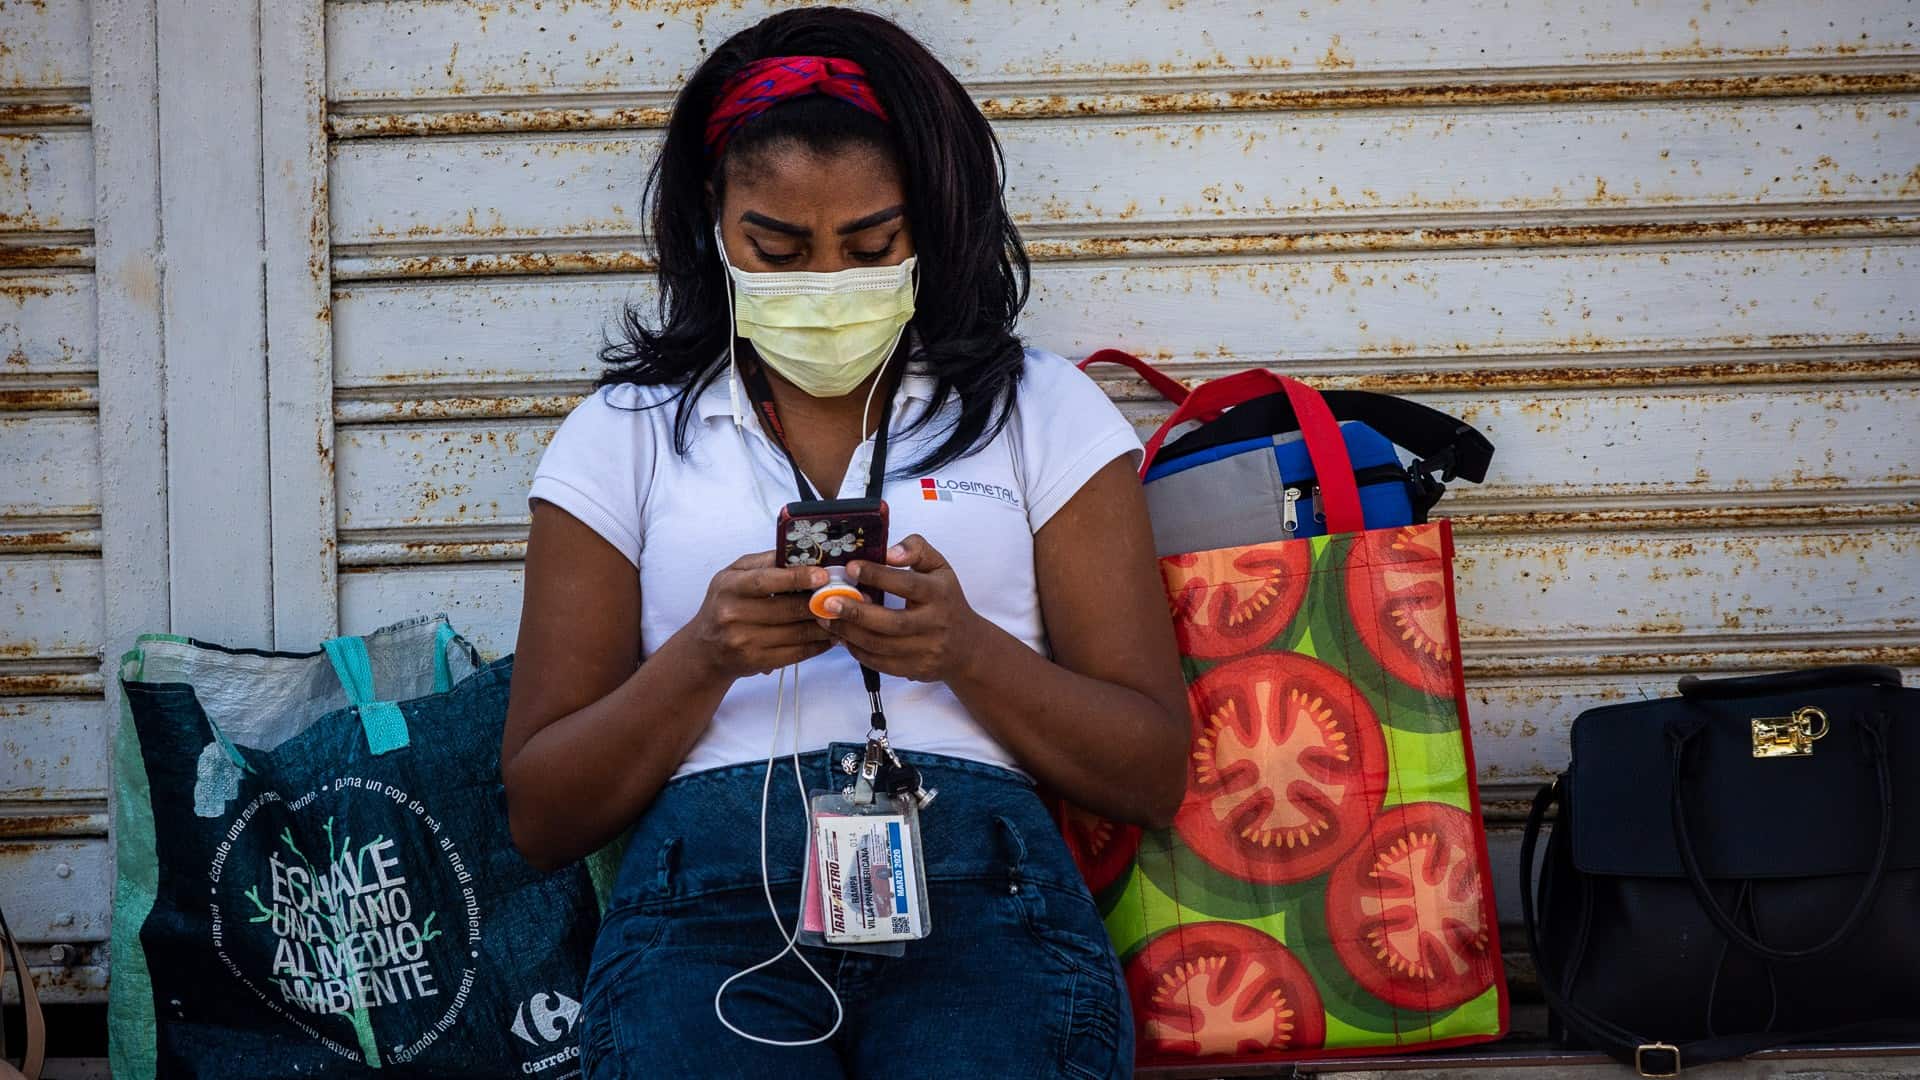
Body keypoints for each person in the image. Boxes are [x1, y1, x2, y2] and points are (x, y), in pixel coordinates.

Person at [501, 8, 1187, 1077]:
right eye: (774, 247)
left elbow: (1151, 770)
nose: (825, 281)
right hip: (704, 912)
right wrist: (702, 659)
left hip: (988, 901)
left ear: (937, 225)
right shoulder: (621, 435)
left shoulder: (1045, 414)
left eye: (872, 246)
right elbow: (542, 811)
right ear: (707, 229)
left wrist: (967, 654)